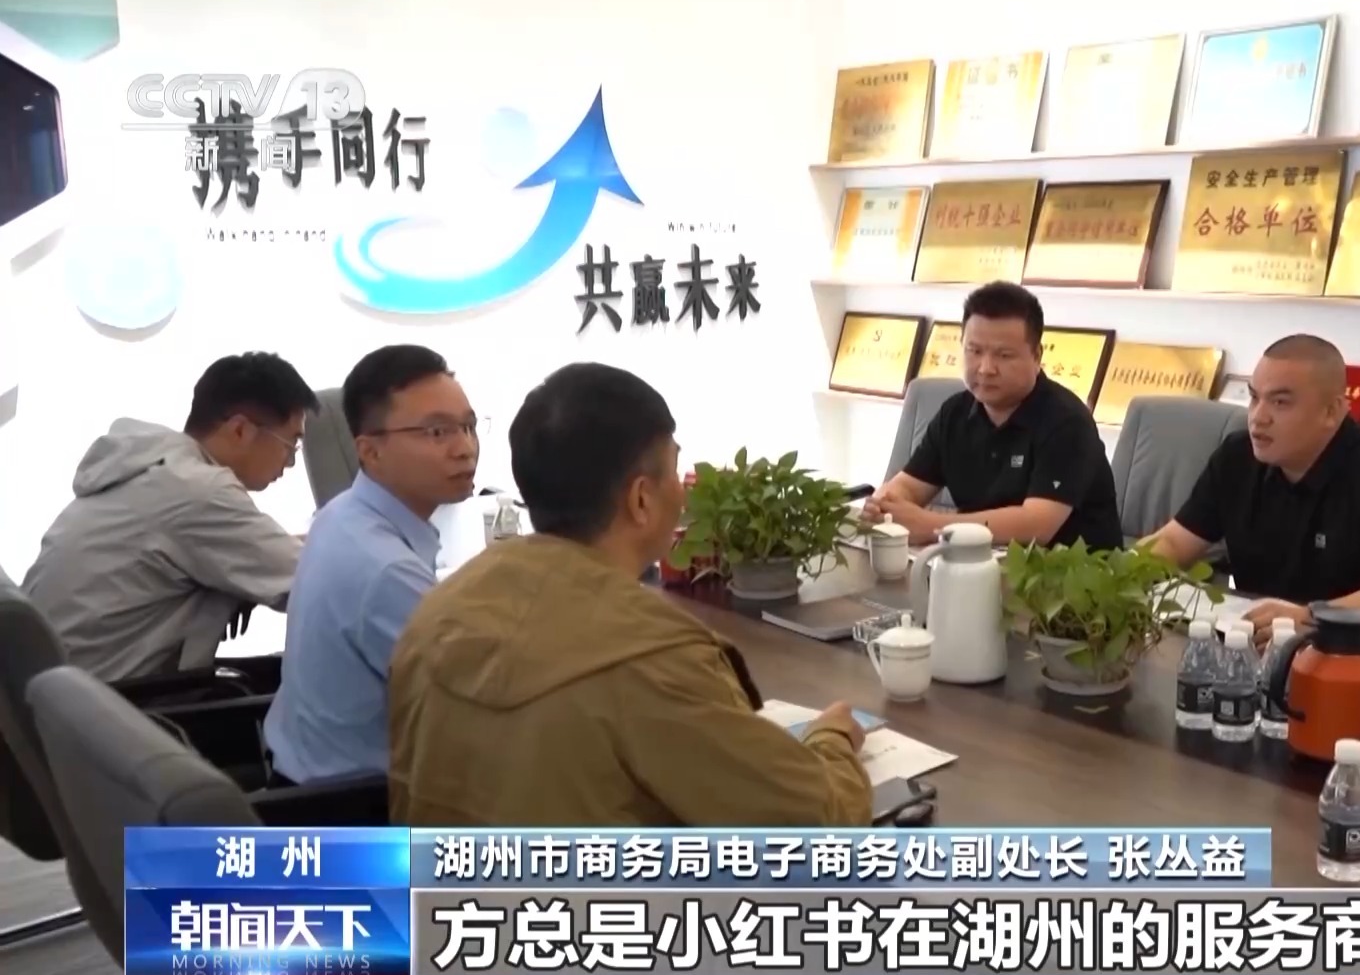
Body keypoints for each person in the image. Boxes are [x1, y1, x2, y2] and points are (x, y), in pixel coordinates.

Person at [388, 362, 871, 825]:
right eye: (675, 471)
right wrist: (830, 740)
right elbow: (815, 822)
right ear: (641, 499)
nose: (683, 494)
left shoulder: (437, 612)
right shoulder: (654, 658)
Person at [22, 353, 315, 681]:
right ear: (240, 430)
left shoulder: (151, 469)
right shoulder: (200, 491)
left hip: (50, 693)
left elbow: (263, 551)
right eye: (291, 443)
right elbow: (319, 580)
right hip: (112, 701)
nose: (290, 462)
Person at [264, 345, 479, 783]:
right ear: (370, 451)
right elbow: (486, 703)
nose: (465, 449)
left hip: (298, 764)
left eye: (468, 427)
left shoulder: (341, 514)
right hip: (355, 804)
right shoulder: (385, 570)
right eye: (437, 432)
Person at [1142, 335, 1360, 639]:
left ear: (1331, 412)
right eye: (1254, 398)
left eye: (1280, 402)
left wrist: (1308, 617)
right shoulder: (1237, 457)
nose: (1258, 417)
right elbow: (1174, 542)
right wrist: (1121, 575)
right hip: (1269, 644)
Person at [864, 281, 1122, 549]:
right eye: (974, 351)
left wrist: (932, 526)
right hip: (977, 561)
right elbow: (908, 486)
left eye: (1004, 355)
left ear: (1036, 356)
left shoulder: (1068, 422)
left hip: (1067, 571)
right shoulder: (954, 413)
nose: (986, 368)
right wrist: (885, 505)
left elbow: (1036, 525)